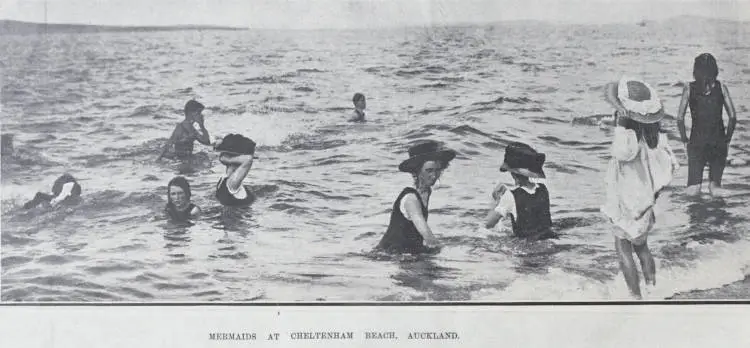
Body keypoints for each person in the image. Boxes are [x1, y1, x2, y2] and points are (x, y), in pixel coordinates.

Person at [601, 77, 679, 299]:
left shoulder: (626, 135)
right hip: (645, 200)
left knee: (622, 248)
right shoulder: (654, 135)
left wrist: (618, 123)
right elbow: (668, 166)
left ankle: (635, 297)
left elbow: (621, 154)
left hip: (627, 201)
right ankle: (652, 290)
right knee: (642, 248)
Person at [376, 140, 456, 254]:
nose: (434, 176)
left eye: (438, 170)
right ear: (417, 171)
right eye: (429, 170)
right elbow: (428, 237)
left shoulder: (426, 192)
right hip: (390, 255)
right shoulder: (411, 199)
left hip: (408, 253)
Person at [676, 53, 737, 197]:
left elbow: (679, 118)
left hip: (697, 142)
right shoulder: (721, 87)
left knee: (693, 188)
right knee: (715, 187)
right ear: (715, 70)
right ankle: (727, 210)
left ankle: (690, 215)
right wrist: (727, 139)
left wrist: (684, 140)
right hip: (718, 141)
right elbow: (733, 117)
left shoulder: (689, 88)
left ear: (695, 70)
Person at [484, 142, 555, 240]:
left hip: (528, 247)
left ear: (512, 173)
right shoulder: (543, 189)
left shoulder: (510, 196)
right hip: (550, 239)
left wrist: (496, 201)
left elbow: (488, 224)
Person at [214, 134, 256, 207]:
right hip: (240, 217)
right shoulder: (232, 184)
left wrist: (223, 156)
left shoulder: (224, 180)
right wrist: (227, 159)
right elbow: (249, 159)